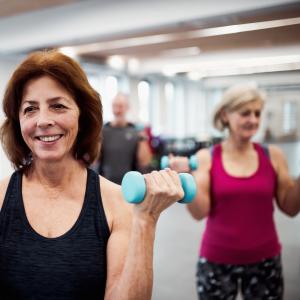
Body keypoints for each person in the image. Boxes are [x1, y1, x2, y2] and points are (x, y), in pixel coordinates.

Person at [0, 50, 185, 300]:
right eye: (30, 109)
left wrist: (146, 220)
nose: (43, 120)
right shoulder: (1, 197)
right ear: (18, 121)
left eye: (58, 106)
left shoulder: (117, 203)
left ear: (83, 116)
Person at [167, 83, 300, 300]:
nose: (254, 120)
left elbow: (291, 207)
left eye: (257, 113)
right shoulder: (206, 157)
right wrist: (184, 179)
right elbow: (199, 212)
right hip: (216, 261)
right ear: (225, 115)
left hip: (265, 260)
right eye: (245, 113)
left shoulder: (273, 155)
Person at [97, 92, 152, 184]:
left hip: (129, 185)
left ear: (127, 108)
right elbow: (94, 160)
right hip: (105, 184)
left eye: (121, 106)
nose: (117, 110)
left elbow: (145, 162)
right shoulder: (102, 131)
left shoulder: (136, 132)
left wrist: (142, 139)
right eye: (115, 106)